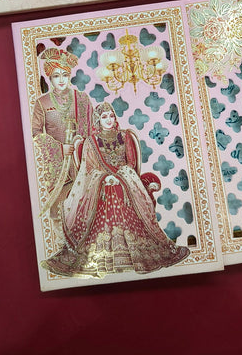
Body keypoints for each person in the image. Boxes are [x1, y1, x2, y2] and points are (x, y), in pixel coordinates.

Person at [43, 102, 190, 278]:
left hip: (124, 181)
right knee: (109, 191)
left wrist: (119, 177)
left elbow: (131, 163)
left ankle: (133, 252)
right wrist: (105, 178)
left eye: (111, 116)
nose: (108, 120)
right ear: (98, 120)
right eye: (104, 117)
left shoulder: (125, 136)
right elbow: (89, 169)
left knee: (118, 189)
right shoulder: (91, 142)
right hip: (100, 185)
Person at [31, 48, 93, 241]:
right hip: (58, 166)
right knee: (60, 209)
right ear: (49, 77)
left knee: (86, 206)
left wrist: (81, 149)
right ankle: (64, 244)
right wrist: (59, 148)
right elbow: (35, 133)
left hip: (83, 162)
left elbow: (92, 129)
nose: (61, 80)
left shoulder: (81, 99)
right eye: (56, 75)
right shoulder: (42, 102)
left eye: (65, 75)